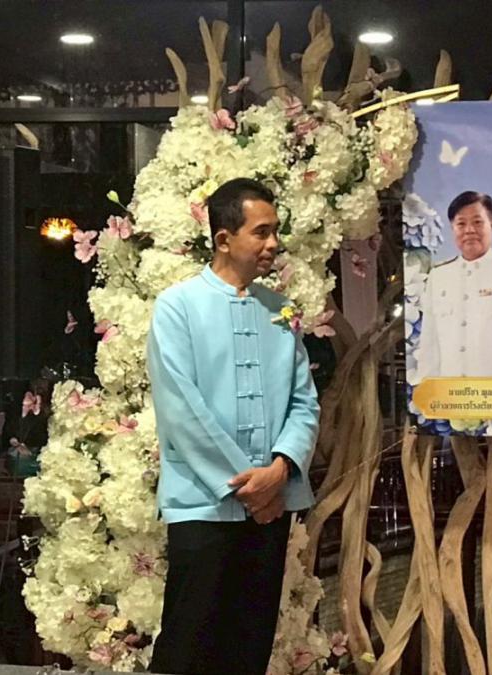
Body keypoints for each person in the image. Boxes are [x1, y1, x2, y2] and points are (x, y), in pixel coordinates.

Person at [146, 178, 319, 675]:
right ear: (224, 239)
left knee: (249, 646)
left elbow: (304, 401)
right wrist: (252, 487)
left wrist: (280, 469)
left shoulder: (280, 311)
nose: (273, 243)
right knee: (186, 645)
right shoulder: (177, 306)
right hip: (202, 503)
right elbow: (181, 409)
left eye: (276, 231)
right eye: (261, 232)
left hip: (270, 507)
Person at [414, 191, 492, 382]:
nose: (469, 230)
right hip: (451, 396)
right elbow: (429, 344)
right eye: (461, 224)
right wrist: (427, 391)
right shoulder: (439, 276)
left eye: (477, 222)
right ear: (452, 228)